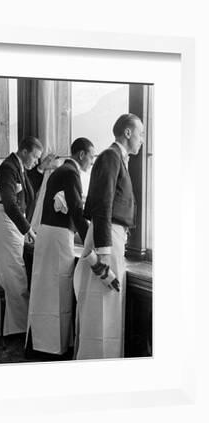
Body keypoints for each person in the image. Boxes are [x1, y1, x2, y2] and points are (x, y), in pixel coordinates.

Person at [73, 114, 143, 360]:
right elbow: (103, 205)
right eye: (140, 133)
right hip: (108, 238)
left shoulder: (116, 159)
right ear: (127, 133)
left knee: (108, 304)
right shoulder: (110, 157)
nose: (142, 140)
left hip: (112, 237)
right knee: (103, 301)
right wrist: (103, 254)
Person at [27, 137, 95, 355]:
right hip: (56, 237)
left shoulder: (63, 171)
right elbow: (75, 208)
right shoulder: (70, 172)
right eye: (91, 156)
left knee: (47, 291)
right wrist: (90, 243)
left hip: (50, 235)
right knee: (56, 291)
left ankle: (44, 344)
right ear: (81, 154)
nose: (91, 162)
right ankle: (51, 348)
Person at [0, 136, 45, 336]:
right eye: (35, 157)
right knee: (13, 278)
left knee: (13, 277)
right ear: (24, 152)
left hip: (10, 225)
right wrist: (28, 229)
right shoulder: (8, 169)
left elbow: (26, 193)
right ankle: (17, 330)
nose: (36, 161)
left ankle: (8, 328)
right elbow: (10, 203)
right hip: (6, 226)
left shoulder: (17, 167)